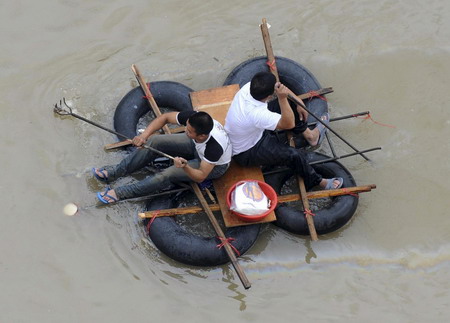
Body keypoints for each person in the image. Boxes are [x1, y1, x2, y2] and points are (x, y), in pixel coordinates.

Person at [224, 71, 343, 190]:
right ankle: (317, 181)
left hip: (252, 132)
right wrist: (282, 98)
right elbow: (288, 123)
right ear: (270, 96)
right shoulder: (257, 114)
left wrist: (298, 102)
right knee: (294, 155)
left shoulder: (248, 88)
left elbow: (280, 87)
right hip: (247, 151)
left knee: (290, 102)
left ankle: (311, 136)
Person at [93, 111, 232, 204]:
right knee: (155, 141)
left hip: (210, 167)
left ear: (201, 136)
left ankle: (120, 193)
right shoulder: (193, 119)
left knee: (168, 173)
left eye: (189, 131)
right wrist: (144, 136)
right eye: (186, 127)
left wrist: (186, 167)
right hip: (196, 146)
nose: (185, 130)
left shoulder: (214, 148)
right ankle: (116, 171)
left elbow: (201, 176)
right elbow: (165, 118)